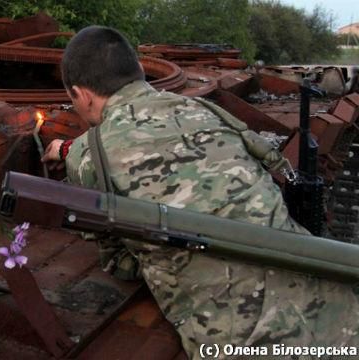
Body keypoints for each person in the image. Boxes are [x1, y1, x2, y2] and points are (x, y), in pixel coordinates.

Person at [42, 25, 359, 359]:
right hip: (337, 305)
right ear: (138, 71)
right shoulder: (204, 110)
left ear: (80, 94)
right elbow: (272, 163)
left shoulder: (88, 155)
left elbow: (117, 260)